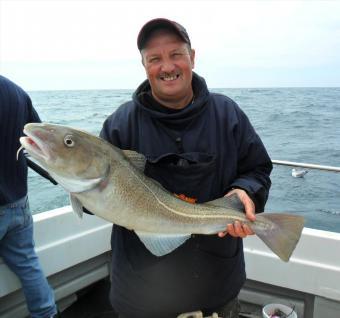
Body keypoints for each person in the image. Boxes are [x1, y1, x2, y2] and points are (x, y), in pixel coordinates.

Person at [100, 18, 272, 318]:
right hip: (142, 294)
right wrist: (76, 180)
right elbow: (94, 203)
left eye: (176, 54)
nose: (167, 66)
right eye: (155, 58)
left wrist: (246, 191)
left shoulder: (227, 114)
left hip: (216, 287)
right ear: (144, 65)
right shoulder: (120, 124)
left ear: (192, 57)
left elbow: (257, 168)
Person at [0, 75, 58, 318]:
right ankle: (47, 313)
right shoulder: (16, 92)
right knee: (28, 264)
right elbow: (41, 140)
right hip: (18, 203)